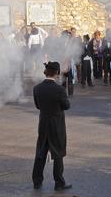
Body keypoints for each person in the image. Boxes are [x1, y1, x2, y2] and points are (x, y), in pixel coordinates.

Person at [32, 62, 72, 191]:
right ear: (57, 73)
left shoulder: (37, 88)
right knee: (58, 153)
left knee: (40, 153)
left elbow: (38, 106)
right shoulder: (59, 89)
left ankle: (37, 181)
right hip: (56, 125)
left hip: (43, 123)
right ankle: (59, 182)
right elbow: (66, 106)